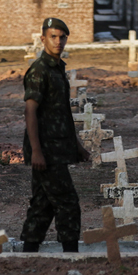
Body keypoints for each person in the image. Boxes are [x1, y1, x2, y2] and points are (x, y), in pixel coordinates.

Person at [21, 17, 91, 254]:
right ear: (43, 39)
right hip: (46, 152)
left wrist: (77, 145)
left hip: (59, 148)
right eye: (53, 36)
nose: (58, 41)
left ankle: (29, 252)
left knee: (43, 204)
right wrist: (37, 151)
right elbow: (30, 111)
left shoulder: (58, 69)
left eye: (62, 37)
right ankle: (70, 254)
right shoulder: (40, 71)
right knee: (67, 202)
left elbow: (61, 113)